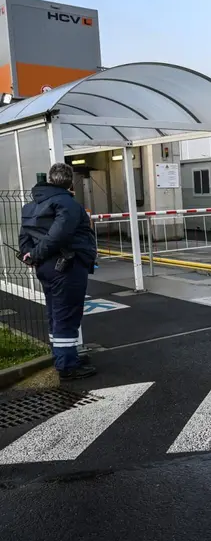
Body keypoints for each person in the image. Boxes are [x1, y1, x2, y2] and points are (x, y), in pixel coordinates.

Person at [19, 163, 97, 380]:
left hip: (45, 268)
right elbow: (59, 235)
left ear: (50, 180)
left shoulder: (31, 206)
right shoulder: (67, 204)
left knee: (55, 313)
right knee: (67, 314)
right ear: (70, 181)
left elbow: (25, 237)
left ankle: (63, 355)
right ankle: (68, 366)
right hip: (67, 267)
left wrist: (30, 255)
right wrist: (36, 254)